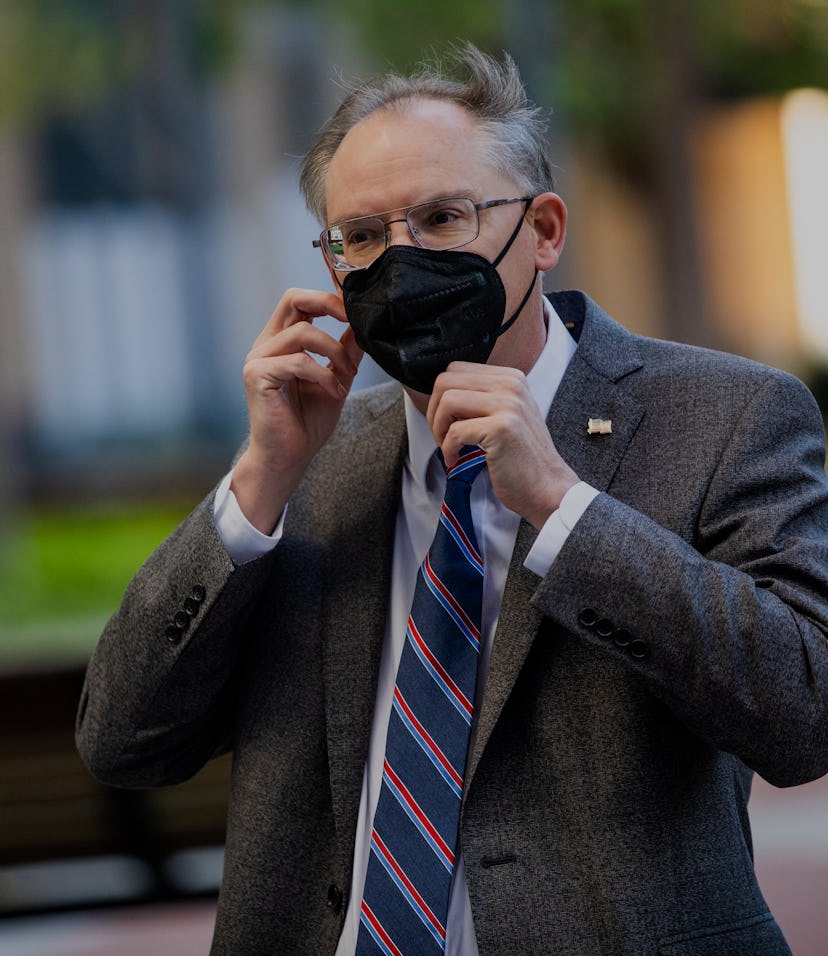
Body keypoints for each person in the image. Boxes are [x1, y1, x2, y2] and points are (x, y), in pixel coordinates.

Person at [76, 44, 828, 956]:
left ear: (544, 230)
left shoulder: (726, 414)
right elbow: (122, 742)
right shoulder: (308, 461)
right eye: (361, 236)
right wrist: (257, 486)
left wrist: (563, 505)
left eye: (442, 218)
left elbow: (804, 716)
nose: (402, 259)